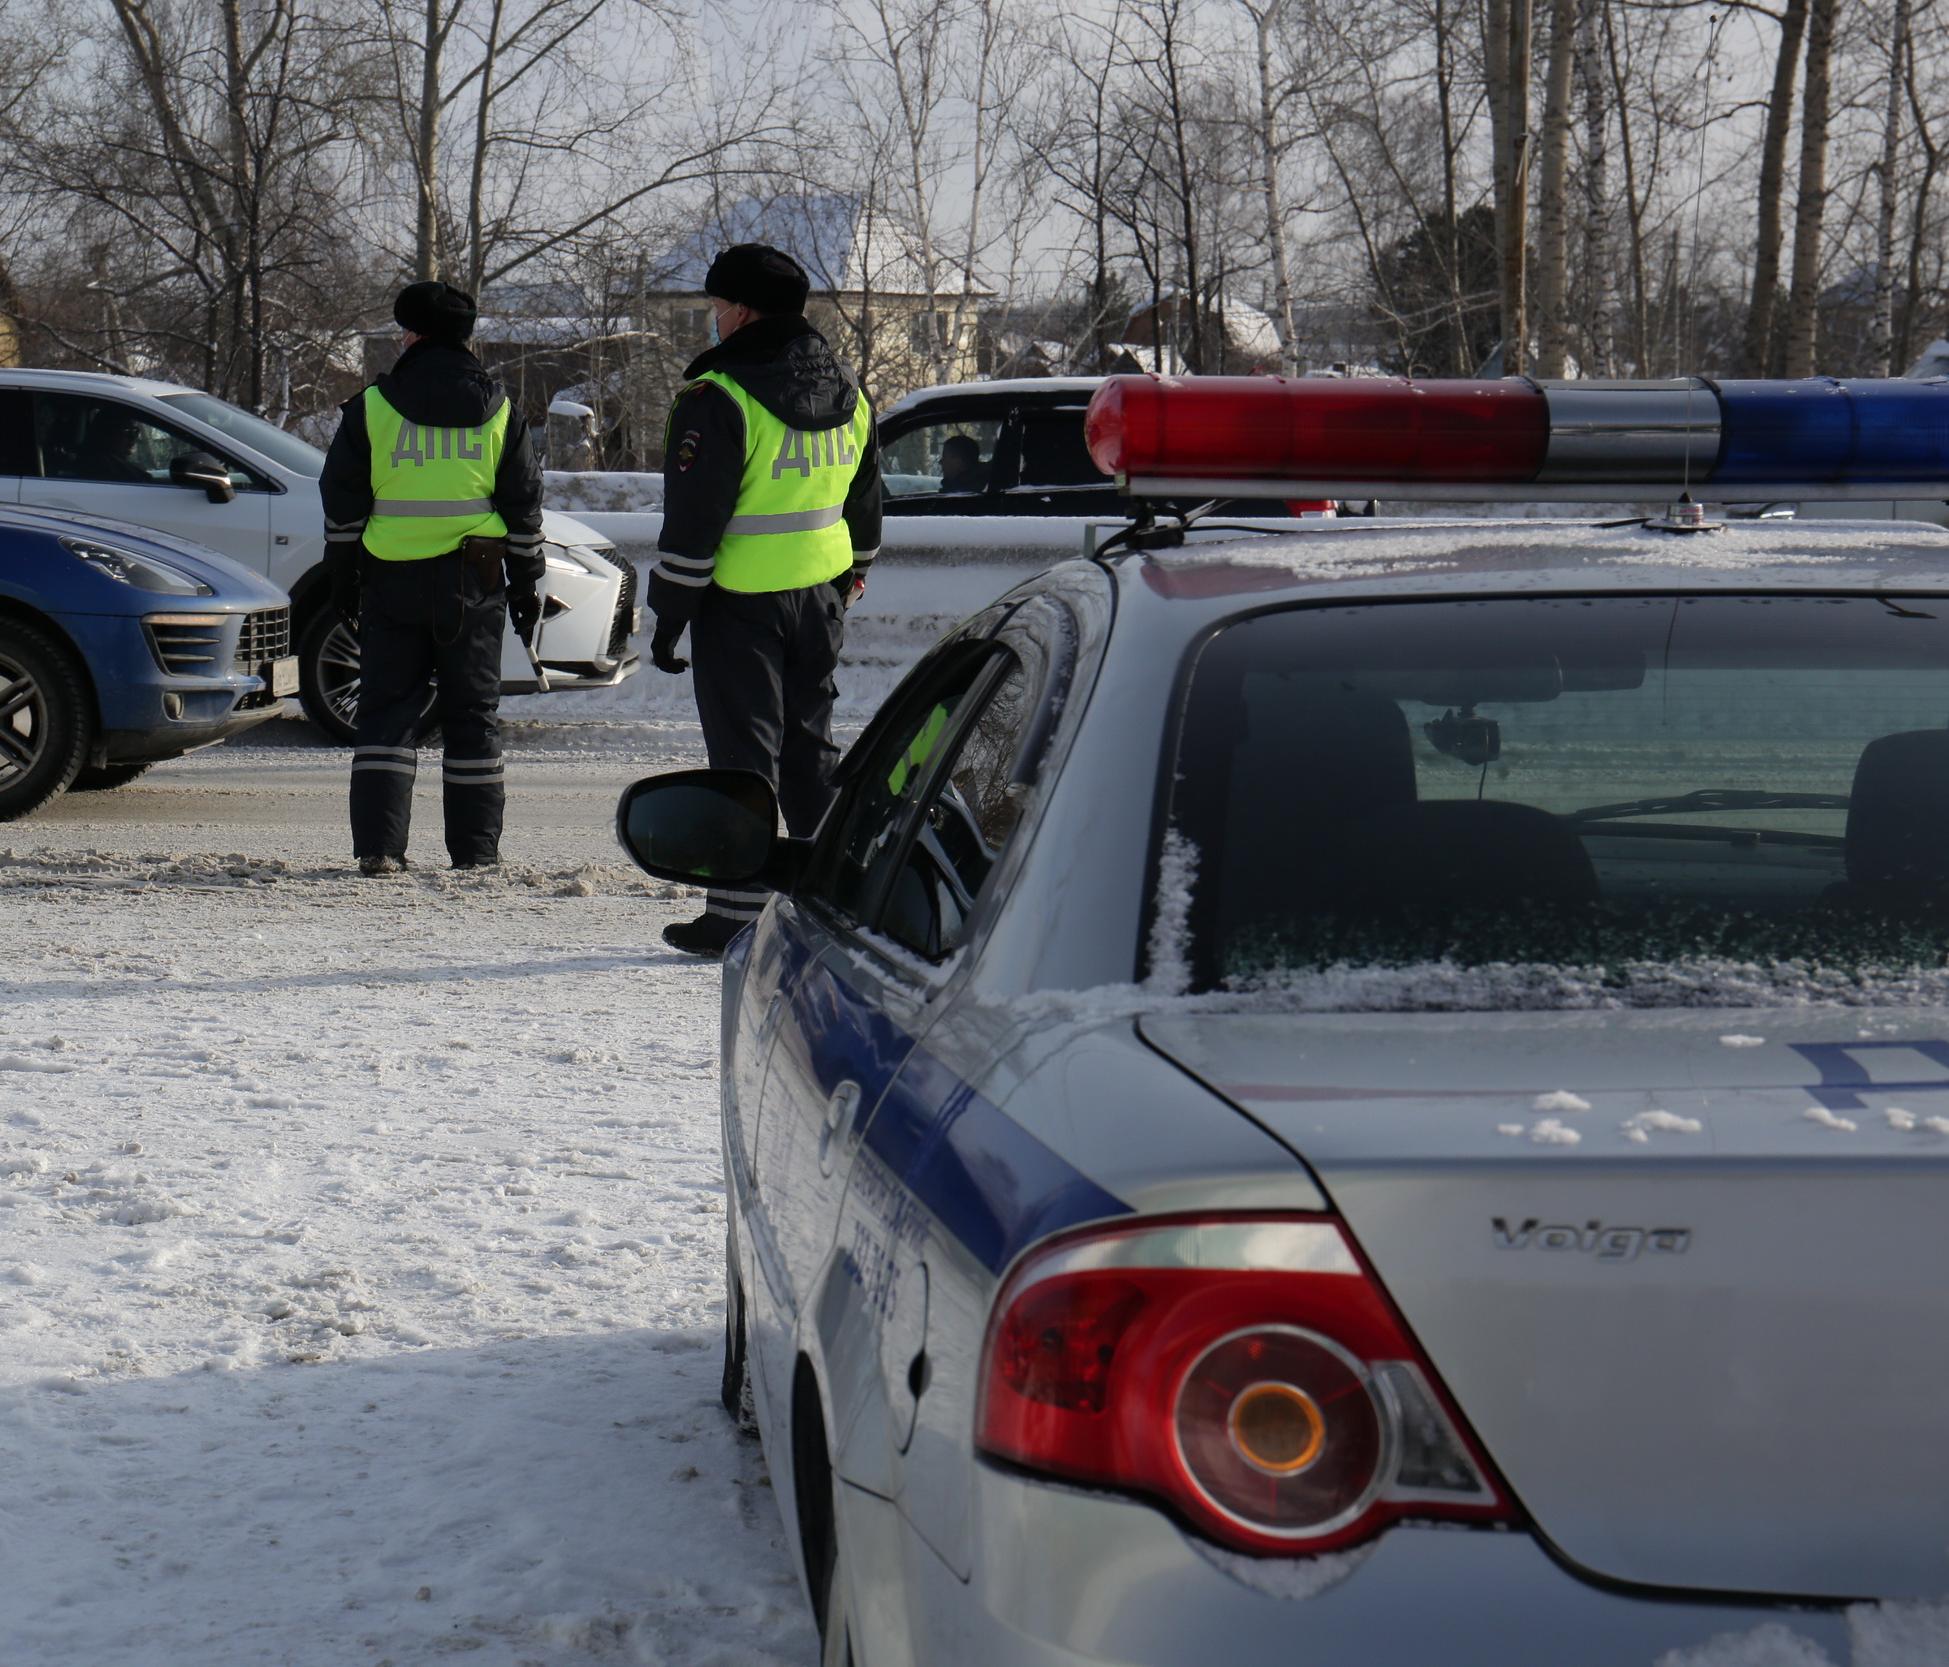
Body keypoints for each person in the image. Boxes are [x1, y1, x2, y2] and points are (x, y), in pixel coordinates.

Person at [648, 243, 882, 955]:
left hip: (740, 598)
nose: (712, 321)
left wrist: (670, 617)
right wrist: (852, 572)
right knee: (809, 747)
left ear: (742, 310)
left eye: (717, 308)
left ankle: (736, 912)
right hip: (822, 592)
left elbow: (694, 523)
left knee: (742, 755)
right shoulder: (847, 388)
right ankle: (822, 893)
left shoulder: (718, 397)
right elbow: (865, 496)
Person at [320, 279, 546, 876]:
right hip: (474, 584)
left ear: (411, 336)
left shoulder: (371, 408)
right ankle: (475, 854)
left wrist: (342, 581)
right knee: (472, 716)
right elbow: (524, 507)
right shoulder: (500, 409)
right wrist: (526, 585)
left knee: (387, 713)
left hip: (392, 582)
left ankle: (379, 851)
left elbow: (341, 506)